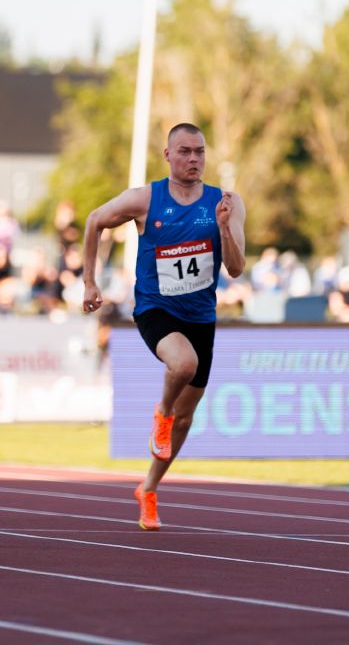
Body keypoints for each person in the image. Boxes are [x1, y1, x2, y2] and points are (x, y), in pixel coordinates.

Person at [82, 123, 247, 530]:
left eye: (200, 152)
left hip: (201, 316)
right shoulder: (145, 198)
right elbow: (95, 220)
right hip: (155, 309)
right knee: (183, 365)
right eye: (185, 151)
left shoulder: (225, 201)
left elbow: (237, 268)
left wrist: (224, 226)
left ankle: (149, 489)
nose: (194, 159)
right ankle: (161, 412)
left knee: (187, 419)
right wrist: (89, 280)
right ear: (168, 155)